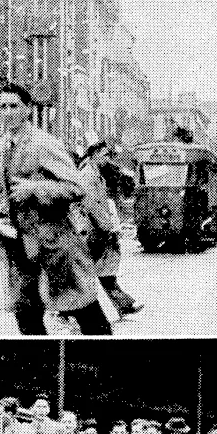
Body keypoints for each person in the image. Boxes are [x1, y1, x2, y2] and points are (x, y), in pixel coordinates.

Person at [0, 84, 111, 335]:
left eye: (14, 106)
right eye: (3, 106)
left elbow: (76, 186)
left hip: (54, 243)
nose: (8, 112)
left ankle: (107, 363)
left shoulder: (43, 143)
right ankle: (41, 367)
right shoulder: (0, 148)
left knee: (82, 306)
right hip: (20, 245)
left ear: (27, 109)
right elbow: (7, 195)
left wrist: (35, 187)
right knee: (25, 312)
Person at [78, 136, 142, 318]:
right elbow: (91, 205)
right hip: (91, 231)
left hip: (97, 230)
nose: (107, 159)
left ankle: (124, 304)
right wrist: (107, 226)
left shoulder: (96, 173)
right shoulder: (88, 175)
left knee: (103, 270)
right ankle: (68, 310)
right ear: (95, 154)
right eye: (105, 155)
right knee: (92, 271)